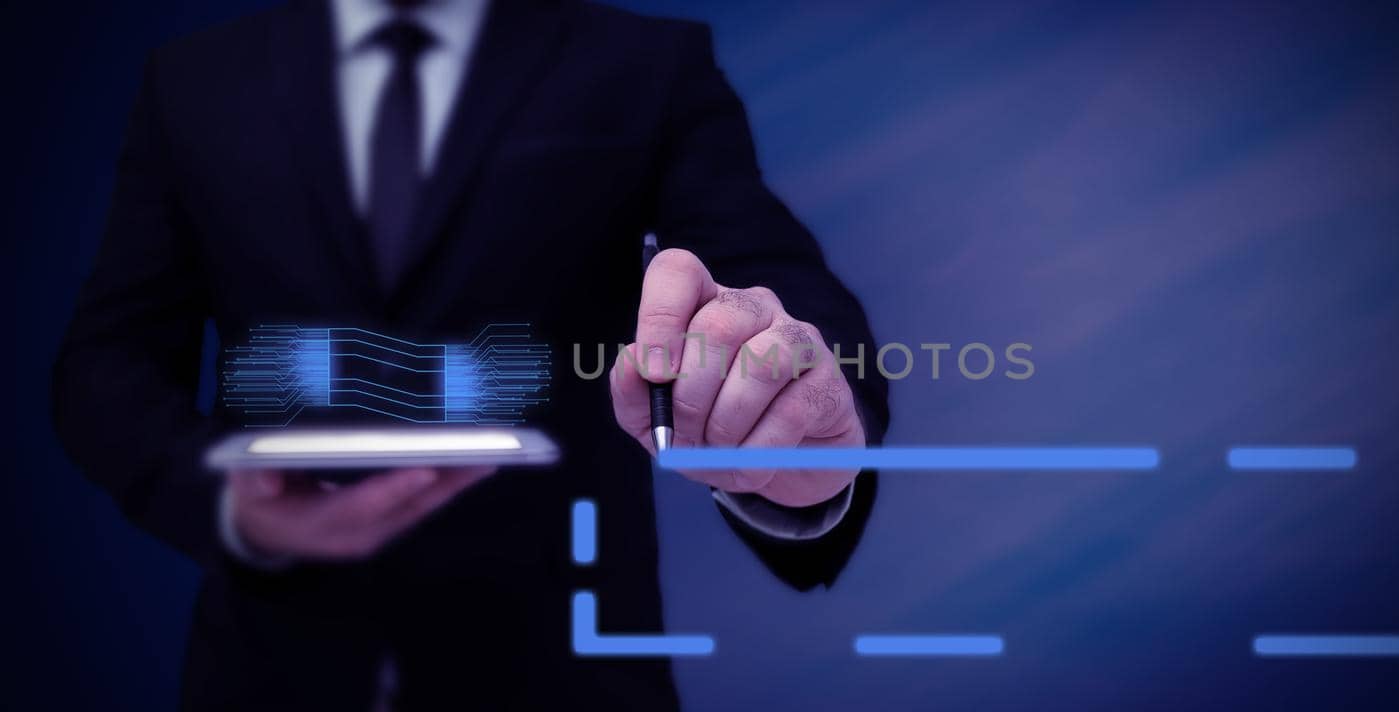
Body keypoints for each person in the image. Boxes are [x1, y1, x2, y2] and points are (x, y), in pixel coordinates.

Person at [51, 0, 889, 708]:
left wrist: (805, 407)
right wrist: (231, 506)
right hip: (269, 669)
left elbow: (772, 275)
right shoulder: (193, 81)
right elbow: (105, 361)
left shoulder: (643, 64)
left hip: (564, 671)